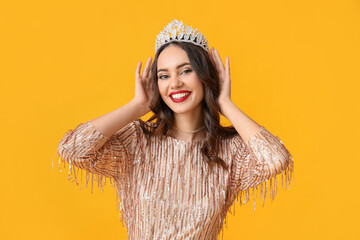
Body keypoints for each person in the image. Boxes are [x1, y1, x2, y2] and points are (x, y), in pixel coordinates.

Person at [56, 19, 294, 240]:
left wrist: (226, 104)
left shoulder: (230, 151)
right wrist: (136, 106)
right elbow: (72, 149)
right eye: (164, 75)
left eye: (186, 70)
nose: (175, 83)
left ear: (205, 76)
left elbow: (277, 158)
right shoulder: (138, 141)